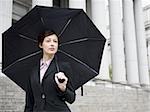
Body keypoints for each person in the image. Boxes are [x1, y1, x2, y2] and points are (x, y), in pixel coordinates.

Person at [24, 30, 76, 112]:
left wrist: (63, 88)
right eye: (48, 41)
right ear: (41, 45)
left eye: (55, 41)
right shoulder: (33, 71)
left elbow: (71, 98)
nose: (52, 44)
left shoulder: (64, 67)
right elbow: (29, 101)